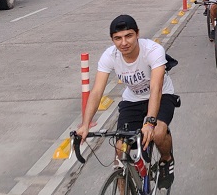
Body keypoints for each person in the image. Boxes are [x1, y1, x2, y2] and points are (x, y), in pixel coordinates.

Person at [76, 15, 178, 189]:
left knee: (158, 133)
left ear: (137, 34)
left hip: (162, 95)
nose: (124, 42)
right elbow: (97, 91)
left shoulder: (153, 51)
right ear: (112, 40)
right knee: (120, 149)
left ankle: (166, 160)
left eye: (128, 36)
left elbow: (156, 88)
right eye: (118, 38)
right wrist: (85, 125)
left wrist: (150, 122)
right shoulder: (110, 55)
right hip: (133, 99)